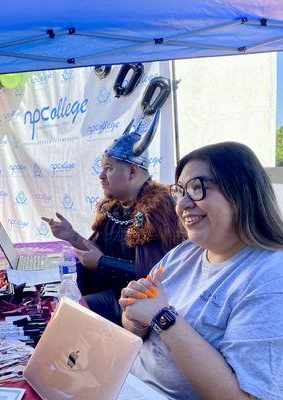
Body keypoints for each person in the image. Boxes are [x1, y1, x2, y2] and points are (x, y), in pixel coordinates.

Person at [120, 142, 283, 400]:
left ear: (241, 191)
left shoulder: (270, 276)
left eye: (197, 188)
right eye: (180, 191)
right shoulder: (183, 254)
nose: (182, 204)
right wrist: (135, 319)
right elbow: (135, 326)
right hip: (127, 383)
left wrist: (163, 317)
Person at [43, 113, 183, 324]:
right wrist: (71, 236)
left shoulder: (158, 211)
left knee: (70, 317)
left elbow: (154, 275)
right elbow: (97, 251)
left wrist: (102, 263)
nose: (101, 177)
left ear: (133, 171)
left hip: (140, 307)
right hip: (114, 294)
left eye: (108, 169)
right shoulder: (115, 208)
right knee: (57, 306)